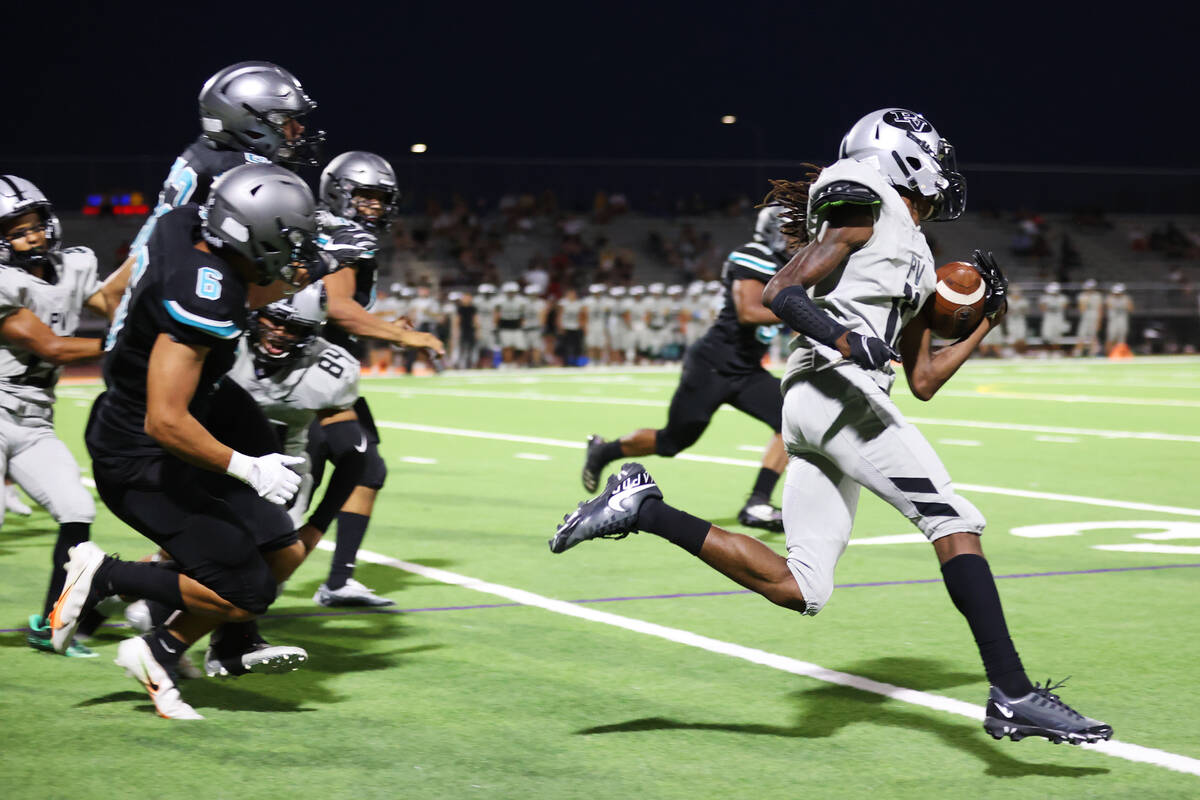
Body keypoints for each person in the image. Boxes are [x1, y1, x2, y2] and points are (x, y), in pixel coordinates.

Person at [553, 108, 1111, 746]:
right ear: (903, 156)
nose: (944, 172)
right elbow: (783, 291)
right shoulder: (862, 195)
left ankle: (645, 509)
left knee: (802, 587)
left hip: (824, 401)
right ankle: (1013, 694)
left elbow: (924, 379)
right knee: (953, 520)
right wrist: (847, 338)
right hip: (834, 386)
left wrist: (987, 320)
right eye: (933, 156)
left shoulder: (914, 250)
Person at [51, 164, 324, 719]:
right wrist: (248, 468)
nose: (292, 254)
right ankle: (104, 574)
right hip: (142, 455)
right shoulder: (205, 293)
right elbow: (165, 422)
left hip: (174, 420)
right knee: (248, 591)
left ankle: (159, 649)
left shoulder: (182, 224)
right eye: (286, 241)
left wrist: (316, 263)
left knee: (278, 546)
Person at [580, 206, 801, 532]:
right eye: (794, 230)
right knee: (672, 442)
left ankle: (757, 502)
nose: (800, 237)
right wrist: (806, 313)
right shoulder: (752, 254)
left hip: (746, 370)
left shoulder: (789, 266)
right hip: (712, 365)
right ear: (775, 230)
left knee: (791, 420)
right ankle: (604, 451)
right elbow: (749, 313)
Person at [0, 176, 131, 657]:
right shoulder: (4, 282)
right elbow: (49, 346)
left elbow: (110, 304)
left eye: (33, 225)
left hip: (35, 420)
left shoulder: (74, 264)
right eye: (16, 231)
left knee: (77, 510)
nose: (30, 237)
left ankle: (51, 622)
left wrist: (142, 268)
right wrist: (124, 347)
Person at [315, 151, 444, 603]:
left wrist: (388, 327)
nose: (373, 206)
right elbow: (337, 307)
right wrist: (400, 336)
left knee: (367, 469)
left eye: (379, 198)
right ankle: (161, 581)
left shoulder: (326, 228)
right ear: (339, 192)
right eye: (364, 195)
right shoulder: (346, 235)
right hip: (303, 376)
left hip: (322, 368)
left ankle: (337, 580)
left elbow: (333, 306)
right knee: (285, 489)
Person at [1073, 279, 1103, 357]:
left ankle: (1093, 353)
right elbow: (1081, 309)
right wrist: (1085, 300)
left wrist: (1099, 321)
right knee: (1081, 334)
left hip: (1094, 316)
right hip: (1086, 316)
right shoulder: (1082, 296)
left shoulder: (1097, 296)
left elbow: (1100, 309)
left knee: (1093, 335)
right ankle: (1077, 353)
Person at [558, 287, 585, 367]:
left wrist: (581, 325)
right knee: (565, 346)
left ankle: (576, 362)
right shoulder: (563, 302)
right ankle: (566, 362)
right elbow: (560, 315)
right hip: (566, 326)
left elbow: (582, 315)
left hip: (576, 327)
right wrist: (560, 326)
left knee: (577, 346)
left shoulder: (579, 303)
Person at [1039, 282, 1068, 354]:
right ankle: (1046, 352)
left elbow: (1064, 306)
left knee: (1057, 337)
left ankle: (1056, 352)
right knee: (1046, 336)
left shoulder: (1062, 298)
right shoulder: (1045, 298)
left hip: (1058, 318)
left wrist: (1053, 305)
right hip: (1048, 319)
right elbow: (1042, 308)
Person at [1104, 283, 1133, 353]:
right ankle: (1109, 353)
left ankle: (1119, 353)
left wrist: (1126, 305)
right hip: (1113, 320)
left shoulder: (1126, 298)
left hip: (1122, 320)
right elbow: (1107, 306)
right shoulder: (1109, 298)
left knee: (1122, 338)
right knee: (1111, 337)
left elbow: (1131, 309)